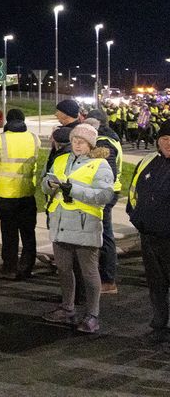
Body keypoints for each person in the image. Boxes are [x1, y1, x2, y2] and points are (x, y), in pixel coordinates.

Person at [41, 123, 114, 334]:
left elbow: (104, 196)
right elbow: (45, 182)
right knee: (63, 270)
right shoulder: (62, 159)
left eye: (81, 141)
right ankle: (67, 308)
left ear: (90, 144)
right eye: (74, 140)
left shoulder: (100, 165)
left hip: (85, 224)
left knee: (89, 272)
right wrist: (49, 185)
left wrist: (73, 190)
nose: (77, 145)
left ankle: (92, 315)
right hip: (61, 222)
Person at [127, 120, 170, 342]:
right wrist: (136, 217)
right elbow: (133, 192)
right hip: (149, 235)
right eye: (164, 139)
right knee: (155, 282)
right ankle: (159, 321)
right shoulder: (147, 161)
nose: (168, 143)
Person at [0, 108, 41, 280]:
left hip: (6, 194)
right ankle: (27, 267)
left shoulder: (1, 139)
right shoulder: (34, 138)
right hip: (27, 193)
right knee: (28, 232)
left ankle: (9, 266)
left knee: (9, 233)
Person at [85, 110, 123, 294]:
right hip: (110, 191)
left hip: (105, 193)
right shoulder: (110, 137)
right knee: (103, 233)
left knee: (105, 234)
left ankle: (108, 280)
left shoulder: (104, 143)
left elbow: (107, 173)